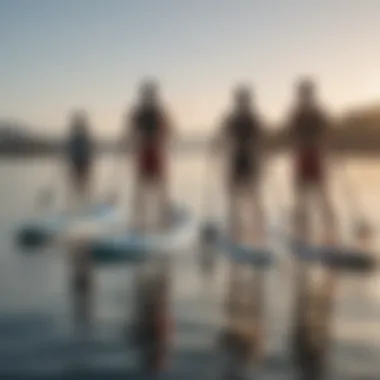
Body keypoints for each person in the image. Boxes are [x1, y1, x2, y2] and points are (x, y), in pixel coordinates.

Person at [211, 84, 266, 242]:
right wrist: (216, 147)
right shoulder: (231, 119)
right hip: (236, 160)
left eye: (243, 100)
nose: (242, 103)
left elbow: (261, 140)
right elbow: (221, 136)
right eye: (240, 100)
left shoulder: (253, 119)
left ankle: (258, 230)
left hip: (249, 160)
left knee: (253, 196)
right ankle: (236, 230)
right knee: (235, 197)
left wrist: (262, 160)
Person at [285, 78, 336, 242]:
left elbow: (326, 133)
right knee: (301, 197)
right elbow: (291, 136)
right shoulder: (295, 114)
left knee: (322, 195)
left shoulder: (318, 113)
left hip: (315, 157)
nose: (304, 97)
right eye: (302, 94)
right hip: (301, 158)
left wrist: (325, 150)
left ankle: (331, 232)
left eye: (306, 94)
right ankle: (301, 233)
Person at [124, 79, 174, 231]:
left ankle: (163, 221)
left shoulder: (160, 113)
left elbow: (170, 131)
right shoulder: (138, 113)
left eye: (150, 95)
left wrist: (159, 138)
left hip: (156, 153)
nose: (148, 98)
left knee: (159, 189)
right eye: (146, 95)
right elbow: (129, 131)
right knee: (141, 189)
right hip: (144, 152)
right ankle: (139, 224)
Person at [66, 110, 94, 204]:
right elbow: (72, 150)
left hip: (82, 163)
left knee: (82, 184)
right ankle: (78, 201)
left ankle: (83, 201)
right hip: (78, 163)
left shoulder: (82, 137)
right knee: (79, 184)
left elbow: (88, 150)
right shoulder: (77, 137)